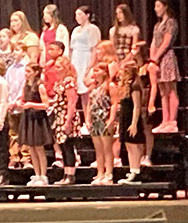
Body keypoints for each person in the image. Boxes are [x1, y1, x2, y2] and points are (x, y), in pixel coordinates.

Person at [17, 63, 53, 186]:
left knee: (39, 147)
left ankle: (44, 175)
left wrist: (32, 105)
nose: (26, 73)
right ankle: (37, 174)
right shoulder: (25, 85)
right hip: (28, 117)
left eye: (29, 71)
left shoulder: (40, 86)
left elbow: (46, 104)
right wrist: (19, 103)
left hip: (37, 118)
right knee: (31, 147)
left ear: (36, 72)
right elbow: (23, 99)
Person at [149, 0, 181, 133]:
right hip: (157, 60)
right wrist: (152, 59)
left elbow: (166, 42)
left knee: (171, 88)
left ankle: (172, 121)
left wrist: (156, 57)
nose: (156, 9)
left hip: (166, 57)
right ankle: (165, 120)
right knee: (162, 90)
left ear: (165, 7)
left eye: (158, 6)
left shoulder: (171, 23)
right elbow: (153, 42)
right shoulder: (157, 25)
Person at [50, 57, 80, 185]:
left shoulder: (69, 82)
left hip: (67, 115)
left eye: (59, 67)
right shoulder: (59, 82)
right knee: (62, 145)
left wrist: (68, 120)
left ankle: (71, 174)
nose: (56, 70)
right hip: (59, 115)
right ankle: (66, 173)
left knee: (68, 145)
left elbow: (72, 101)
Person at [70, 6, 101, 126]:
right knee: (81, 93)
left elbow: (94, 48)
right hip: (76, 59)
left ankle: (89, 119)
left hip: (86, 58)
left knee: (87, 91)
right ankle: (84, 119)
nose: (77, 17)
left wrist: (90, 66)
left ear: (87, 15)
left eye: (80, 14)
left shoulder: (92, 29)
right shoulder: (75, 30)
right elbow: (72, 48)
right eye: (76, 14)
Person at [117, 64, 147, 185]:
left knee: (134, 146)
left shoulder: (135, 87)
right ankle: (132, 170)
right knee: (129, 146)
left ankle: (136, 171)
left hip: (132, 119)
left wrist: (134, 124)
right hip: (125, 118)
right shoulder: (126, 87)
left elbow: (137, 106)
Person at [87, 63, 116, 185]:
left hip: (104, 117)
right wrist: (87, 118)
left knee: (107, 147)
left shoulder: (110, 86)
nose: (95, 73)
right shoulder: (94, 87)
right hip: (95, 119)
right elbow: (89, 103)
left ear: (104, 72)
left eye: (97, 70)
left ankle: (109, 173)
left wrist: (111, 119)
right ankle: (100, 173)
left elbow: (114, 103)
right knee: (98, 149)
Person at [5, 43, 31, 169]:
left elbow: (24, 85)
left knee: (24, 131)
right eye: (13, 50)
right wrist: (9, 102)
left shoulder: (26, 67)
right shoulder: (10, 69)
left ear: (24, 52)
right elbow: (7, 85)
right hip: (11, 104)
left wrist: (17, 100)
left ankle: (26, 157)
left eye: (17, 50)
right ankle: (14, 156)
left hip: (21, 103)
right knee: (13, 132)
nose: (14, 52)